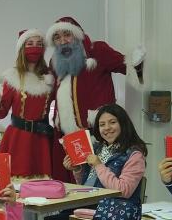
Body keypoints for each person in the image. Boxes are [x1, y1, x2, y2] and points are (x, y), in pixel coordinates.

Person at [46, 16, 141, 181]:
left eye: (66, 34)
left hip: (99, 135)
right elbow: (50, 95)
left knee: (101, 183)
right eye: (57, 37)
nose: (62, 41)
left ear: (77, 35)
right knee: (73, 186)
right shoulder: (55, 63)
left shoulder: (97, 50)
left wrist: (138, 62)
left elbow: (127, 66)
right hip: (69, 139)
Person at [0, 29, 54, 178]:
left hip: (42, 140)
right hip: (18, 139)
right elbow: (1, 112)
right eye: (30, 43)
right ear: (22, 48)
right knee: (16, 182)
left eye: (39, 44)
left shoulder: (50, 76)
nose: (35, 47)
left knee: (42, 184)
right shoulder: (13, 77)